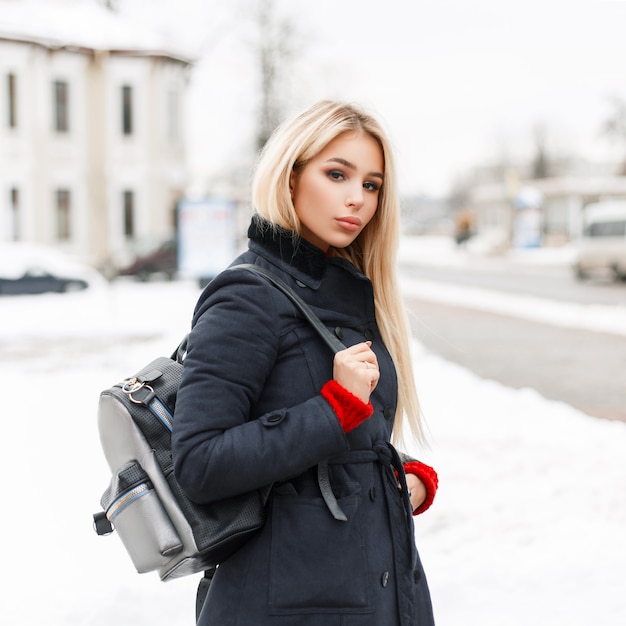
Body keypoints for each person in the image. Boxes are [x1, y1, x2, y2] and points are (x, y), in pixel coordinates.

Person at [172, 100, 438, 626]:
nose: (356, 199)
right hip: (286, 605)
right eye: (337, 174)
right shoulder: (248, 295)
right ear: (290, 176)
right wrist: (334, 408)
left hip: (368, 593)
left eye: (371, 184)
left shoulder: (347, 294)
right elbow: (200, 464)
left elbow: (331, 449)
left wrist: (396, 474)